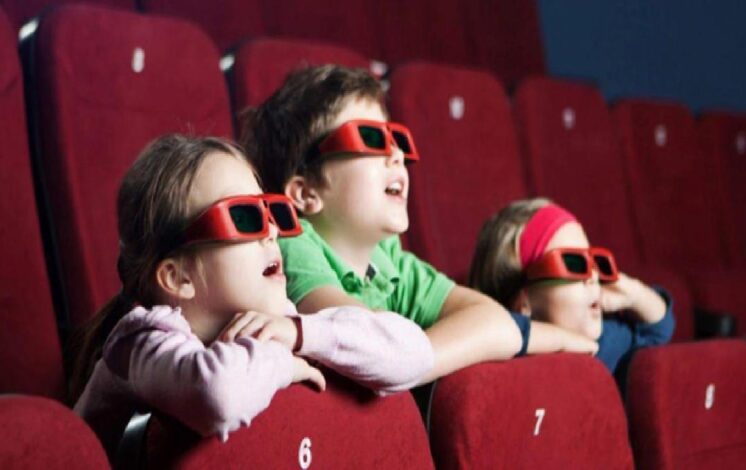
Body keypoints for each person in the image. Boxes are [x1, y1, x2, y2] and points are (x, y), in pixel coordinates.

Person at [71, 134, 434, 457]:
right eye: (245, 217)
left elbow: (415, 354)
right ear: (178, 277)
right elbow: (218, 396)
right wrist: (282, 358)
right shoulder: (140, 342)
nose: (273, 231)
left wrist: (303, 334)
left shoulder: (281, 322)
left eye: (272, 212)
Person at [240, 65, 597, 382]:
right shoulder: (292, 246)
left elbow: (495, 321)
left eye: (397, 140)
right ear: (306, 193)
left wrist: (409, 362)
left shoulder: (390, 261)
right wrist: (408, 353)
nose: (396, 154)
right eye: (371, 138)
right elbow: (369, 339)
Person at [469, 198, 674, 375]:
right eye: (574, 263)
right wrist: (564, 342)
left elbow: (659, 330)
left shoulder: (602, 345)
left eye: (596, 262)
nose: (593, 275)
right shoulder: (506, 355)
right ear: (523, 303)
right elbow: (488, 326)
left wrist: (634, 293)